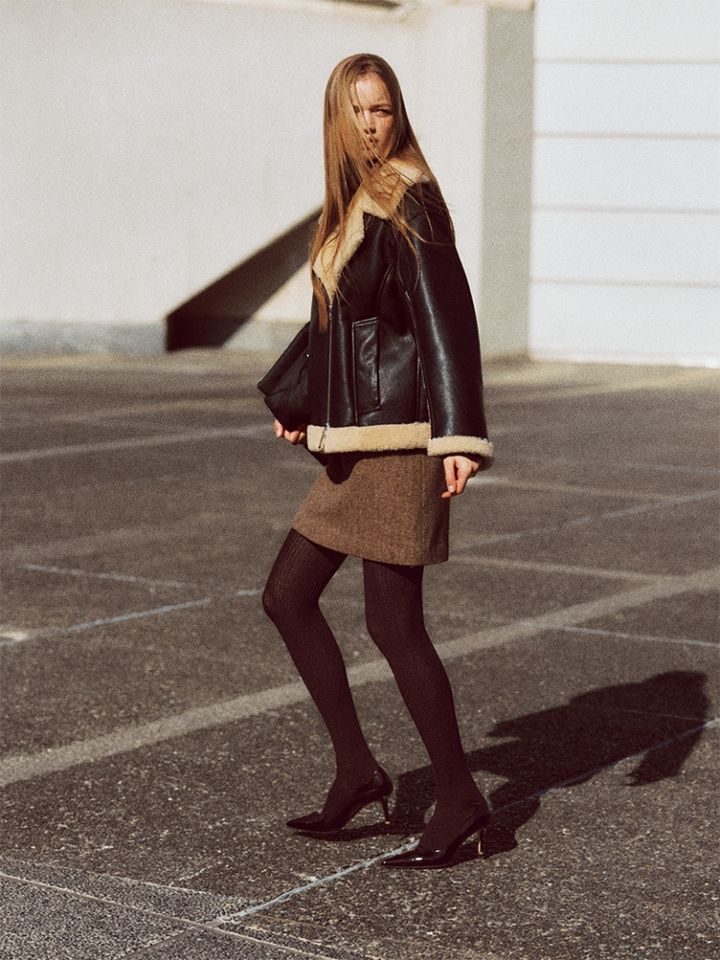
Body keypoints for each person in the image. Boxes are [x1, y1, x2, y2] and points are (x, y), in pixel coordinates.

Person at [261, 53, 494, 870]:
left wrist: (458, 436)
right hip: (356, 446)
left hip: (400, 442)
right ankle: (359, 772)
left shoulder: (408, 196)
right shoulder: (356, 203)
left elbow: (445, 316)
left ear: (399, 115)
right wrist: (300, 400)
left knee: (394, 624)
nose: (370, 124)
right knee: (287, 597)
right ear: (337, 117)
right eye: (357, 110)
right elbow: (342, 324)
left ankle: (460, 801)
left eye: (382, 109)